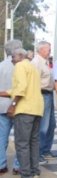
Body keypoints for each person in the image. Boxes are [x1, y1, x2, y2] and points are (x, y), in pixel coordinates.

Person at [0, 48, 44, 178]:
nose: (12, 61)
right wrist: (3, 93)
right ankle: (35, 171)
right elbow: (18, 89)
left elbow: (21, 88)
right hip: (36, 109)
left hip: (25, 110)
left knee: (22, 144)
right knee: (33, 142)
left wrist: (12, 105)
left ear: (19, 56)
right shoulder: (32, 67)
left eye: (13, 57)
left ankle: (26, 174)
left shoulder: (19, 66)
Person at [31, 41, 57, 165]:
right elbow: (34, 82)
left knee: (51, 124)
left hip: (49, 94)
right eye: (48, 49)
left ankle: (46, 150)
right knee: (43, 126)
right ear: (41, 49)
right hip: (42, 94)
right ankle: (39, 153)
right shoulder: (36, 62)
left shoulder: (46, 62)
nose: (50, 51)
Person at [0, 40, 22, 175]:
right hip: (18, 104)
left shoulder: (1, 65)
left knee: (2, 136)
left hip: (2, 104)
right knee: (20, 138)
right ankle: (17, 165)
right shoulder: (21, 65)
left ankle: (1, 164)